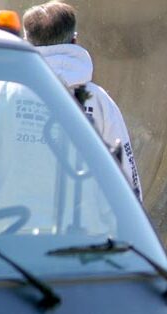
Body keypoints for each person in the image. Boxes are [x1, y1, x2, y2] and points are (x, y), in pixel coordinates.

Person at [22, 0, 142, 202]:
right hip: (83, 231)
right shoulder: (99, 101)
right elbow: (126, 177)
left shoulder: (3, 95)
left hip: (11, 229)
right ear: (74, 41)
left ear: (26, 41)